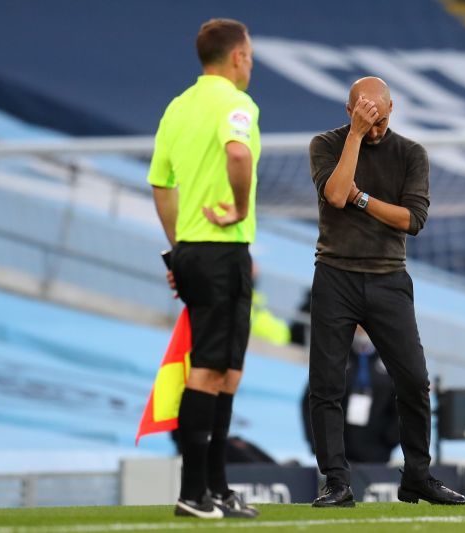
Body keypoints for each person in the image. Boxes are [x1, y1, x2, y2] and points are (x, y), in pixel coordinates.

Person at [307, 76, 465, 507]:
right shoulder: (326, 144)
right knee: (325, 384)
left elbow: (412, 220)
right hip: (335, 273)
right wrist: (356, 137)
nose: (374, 127)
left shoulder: (411, 153)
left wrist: (364, 198)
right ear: (350, 111)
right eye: (364, 118)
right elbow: (336, 195)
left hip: (388, 275)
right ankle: (337, 482)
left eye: (379, 119)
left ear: (391, 109)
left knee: (414, 379)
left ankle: (417, 475)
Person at [148, 18, 260, 520]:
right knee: (209, 373)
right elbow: (238, 154)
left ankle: (216, 487)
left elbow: (160, 184)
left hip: (198, 250)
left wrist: (180, 250)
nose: (251, 62)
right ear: (237, 57)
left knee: (227, 373)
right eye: (250, 54)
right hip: (221, 250)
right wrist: (237, 208)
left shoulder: (177, 107)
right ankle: (192, 493)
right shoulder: (237, 105)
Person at [302, 326, 400, 463]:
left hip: (378, 453)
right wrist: (317, 442)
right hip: (337, 452)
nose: (362, 330)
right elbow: (311, 400)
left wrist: (391, 439)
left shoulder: (391, 360)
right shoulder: (333, 356)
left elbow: (402, 403)